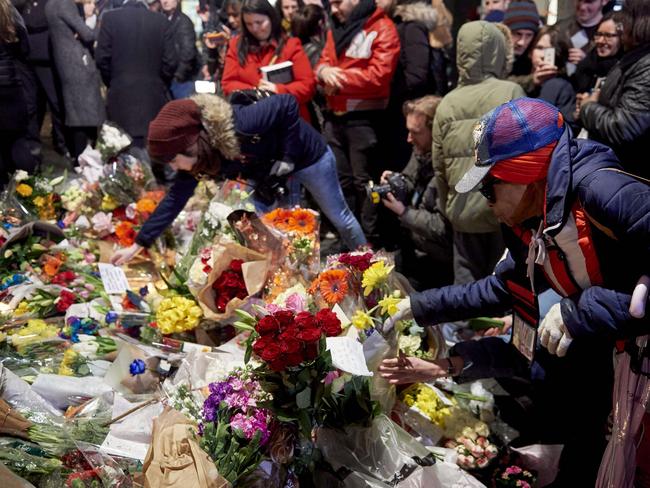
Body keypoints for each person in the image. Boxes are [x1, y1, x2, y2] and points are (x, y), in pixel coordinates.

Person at [379, 97, 650, 485]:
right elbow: (500, 288)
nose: (487, 204)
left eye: (490, 189)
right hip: (601, 372)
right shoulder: (533, 220)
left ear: (526, 174)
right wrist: (417, 306)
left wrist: (581, 310)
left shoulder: (601, 189)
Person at [111, 94, 366, 265]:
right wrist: (139, 243)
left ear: (190, 146)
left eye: (173, 160)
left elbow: (287, 104)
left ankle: (367, 259)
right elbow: (175, 199)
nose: (175, 168)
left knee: (339, 216)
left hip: (309, 157)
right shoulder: (202, 157)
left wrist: (288, 157)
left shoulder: (240, 123)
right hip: (269, 175)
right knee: (272, 232)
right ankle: (292, 282)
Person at [430, 20, 524, 285]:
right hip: (503, 211)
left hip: (461, 211)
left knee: (466, 292)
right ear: (499, 52)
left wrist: (449, 205)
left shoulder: (447, 103)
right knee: (506, 286)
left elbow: (439, 167)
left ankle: (467, 328)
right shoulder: (511, 92)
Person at [315, 0, 400, 245]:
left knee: (365, 184)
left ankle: (369, 241)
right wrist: (322, 73)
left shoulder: (383, 27)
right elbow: (321, 64)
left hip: (364, 120)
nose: (334, 9)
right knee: (341, 181)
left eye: (337, 2)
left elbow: (379, 76)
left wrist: (336, 77)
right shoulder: (338, 29)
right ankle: (351, 239)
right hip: (335, 117)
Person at [379, 96, 453, 290]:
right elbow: (410, 178)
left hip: (439, 263)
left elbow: (442, 228)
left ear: (435, 131)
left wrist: (405, 213)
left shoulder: (448, 168)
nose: (409, 139)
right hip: (414, 246)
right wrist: (397, 181)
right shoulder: (421, 151)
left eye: (415, 133)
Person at [578, 0, 650, 178]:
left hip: (629, 172)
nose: (620, 26)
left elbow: (623, 127)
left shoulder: (646, 65)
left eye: (624, 19)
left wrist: (588, 107)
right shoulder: (635, 57)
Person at [95, 0, 177, 148]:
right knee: (151, 152)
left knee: (119, 152)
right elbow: (170, 62)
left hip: (120, 95)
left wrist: (114, 81)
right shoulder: (161, 21)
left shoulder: (110, 19)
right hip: (152, 96)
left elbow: (101, 58)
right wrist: (158, 82)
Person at [221, 0, 315, 121]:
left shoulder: (290, 45)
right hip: (252, 119)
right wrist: (257, 93)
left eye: (259, 22)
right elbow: (228, 83)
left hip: (287, 120)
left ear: (271, 19)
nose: (254, 28)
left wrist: (277, 90)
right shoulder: (236, 45)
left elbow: (307, 86)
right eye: (249, 24)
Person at [45, 0, 105, 160]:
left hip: (67, 64)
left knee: (79, 112)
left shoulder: (51, 4)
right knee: (83, 115)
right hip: (77, 64)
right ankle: (85, 161)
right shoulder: (64, 4)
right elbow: (88, 34)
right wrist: (93, 19)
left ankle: (82, 158)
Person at [382, 0, 438, 171]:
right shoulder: (391, 24)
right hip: (400, 111)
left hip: (410, 113)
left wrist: (385, 91)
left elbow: (417, 74)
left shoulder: (411, 27)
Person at [0, 0, 34, 186]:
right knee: (18, 143)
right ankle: (30, 190)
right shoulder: (10, 15)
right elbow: (25, 50)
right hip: (12, 89)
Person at [528, 25, 576, 123]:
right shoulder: (522, 77)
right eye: (539, 48)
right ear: (531, 51)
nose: (542, 55)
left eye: (549, 51)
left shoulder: (560, 85)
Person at [571, 11, 624, 94]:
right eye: (598, 34)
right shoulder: (587, 65)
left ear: (622, 38)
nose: (600, 41)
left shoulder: (625, 71)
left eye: (608, 36)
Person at [161, 0, 201, 99]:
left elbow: (188, 52)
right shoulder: (160, 19)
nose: (165, 1)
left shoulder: (183, 21)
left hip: (182, 80)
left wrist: (178, 75)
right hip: (167, 78)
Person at [556, 0, 609, 67]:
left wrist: (587, 63)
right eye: (579, 0)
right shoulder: (559, 28)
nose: (582, 7)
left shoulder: (611, 33)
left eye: (589, 2)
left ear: (604, 1)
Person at [504, 0, 541, 94]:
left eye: (529, 35)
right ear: (507, 31)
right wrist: (532, 80)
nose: (522, 42)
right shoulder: (494, 51)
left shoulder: (535, 53)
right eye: (517, 34)